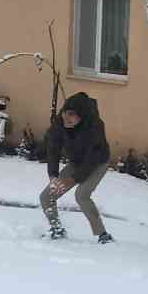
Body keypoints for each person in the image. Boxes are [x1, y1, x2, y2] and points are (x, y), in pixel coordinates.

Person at [40, 92, 113, 243]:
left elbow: (92, 159)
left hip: (98, 163)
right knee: (47, 195)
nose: (67, 118)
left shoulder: (95, 126)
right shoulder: (60, 122)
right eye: (66, 113)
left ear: (82, 116)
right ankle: (56, 229)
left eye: (72, 115)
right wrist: (53, 176)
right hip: (76, 162)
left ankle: (103, 235)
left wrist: (73, 180)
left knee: (82, 195)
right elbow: (53, 148)